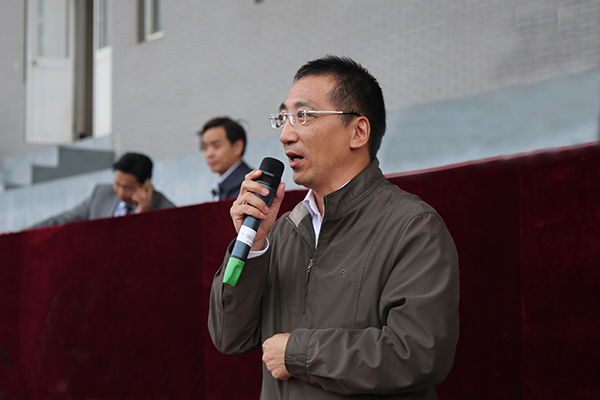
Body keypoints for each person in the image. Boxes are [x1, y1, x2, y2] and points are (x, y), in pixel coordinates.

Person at [208, 56, 460, 399]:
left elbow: (418, 354)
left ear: (358, 131)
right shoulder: (282, 231)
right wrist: (252, 246)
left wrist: (298, 354)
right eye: (283, 118)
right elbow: (229, 336)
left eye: (303, 116)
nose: (285, 135)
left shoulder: (411, 227)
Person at [29, 152, 175, 228]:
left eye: (128, 188)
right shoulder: (101, 194)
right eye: (117, 184)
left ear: (147, 182)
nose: (120, 192)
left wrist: (142, 217)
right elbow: (63, 221)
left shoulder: (166, 210)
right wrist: (21, 234)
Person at [199, 117, 252, 201]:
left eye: (216, 146)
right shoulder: (221, 188)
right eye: (205, 147)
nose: (209, 154)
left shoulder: (250, 186)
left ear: (237, 147)